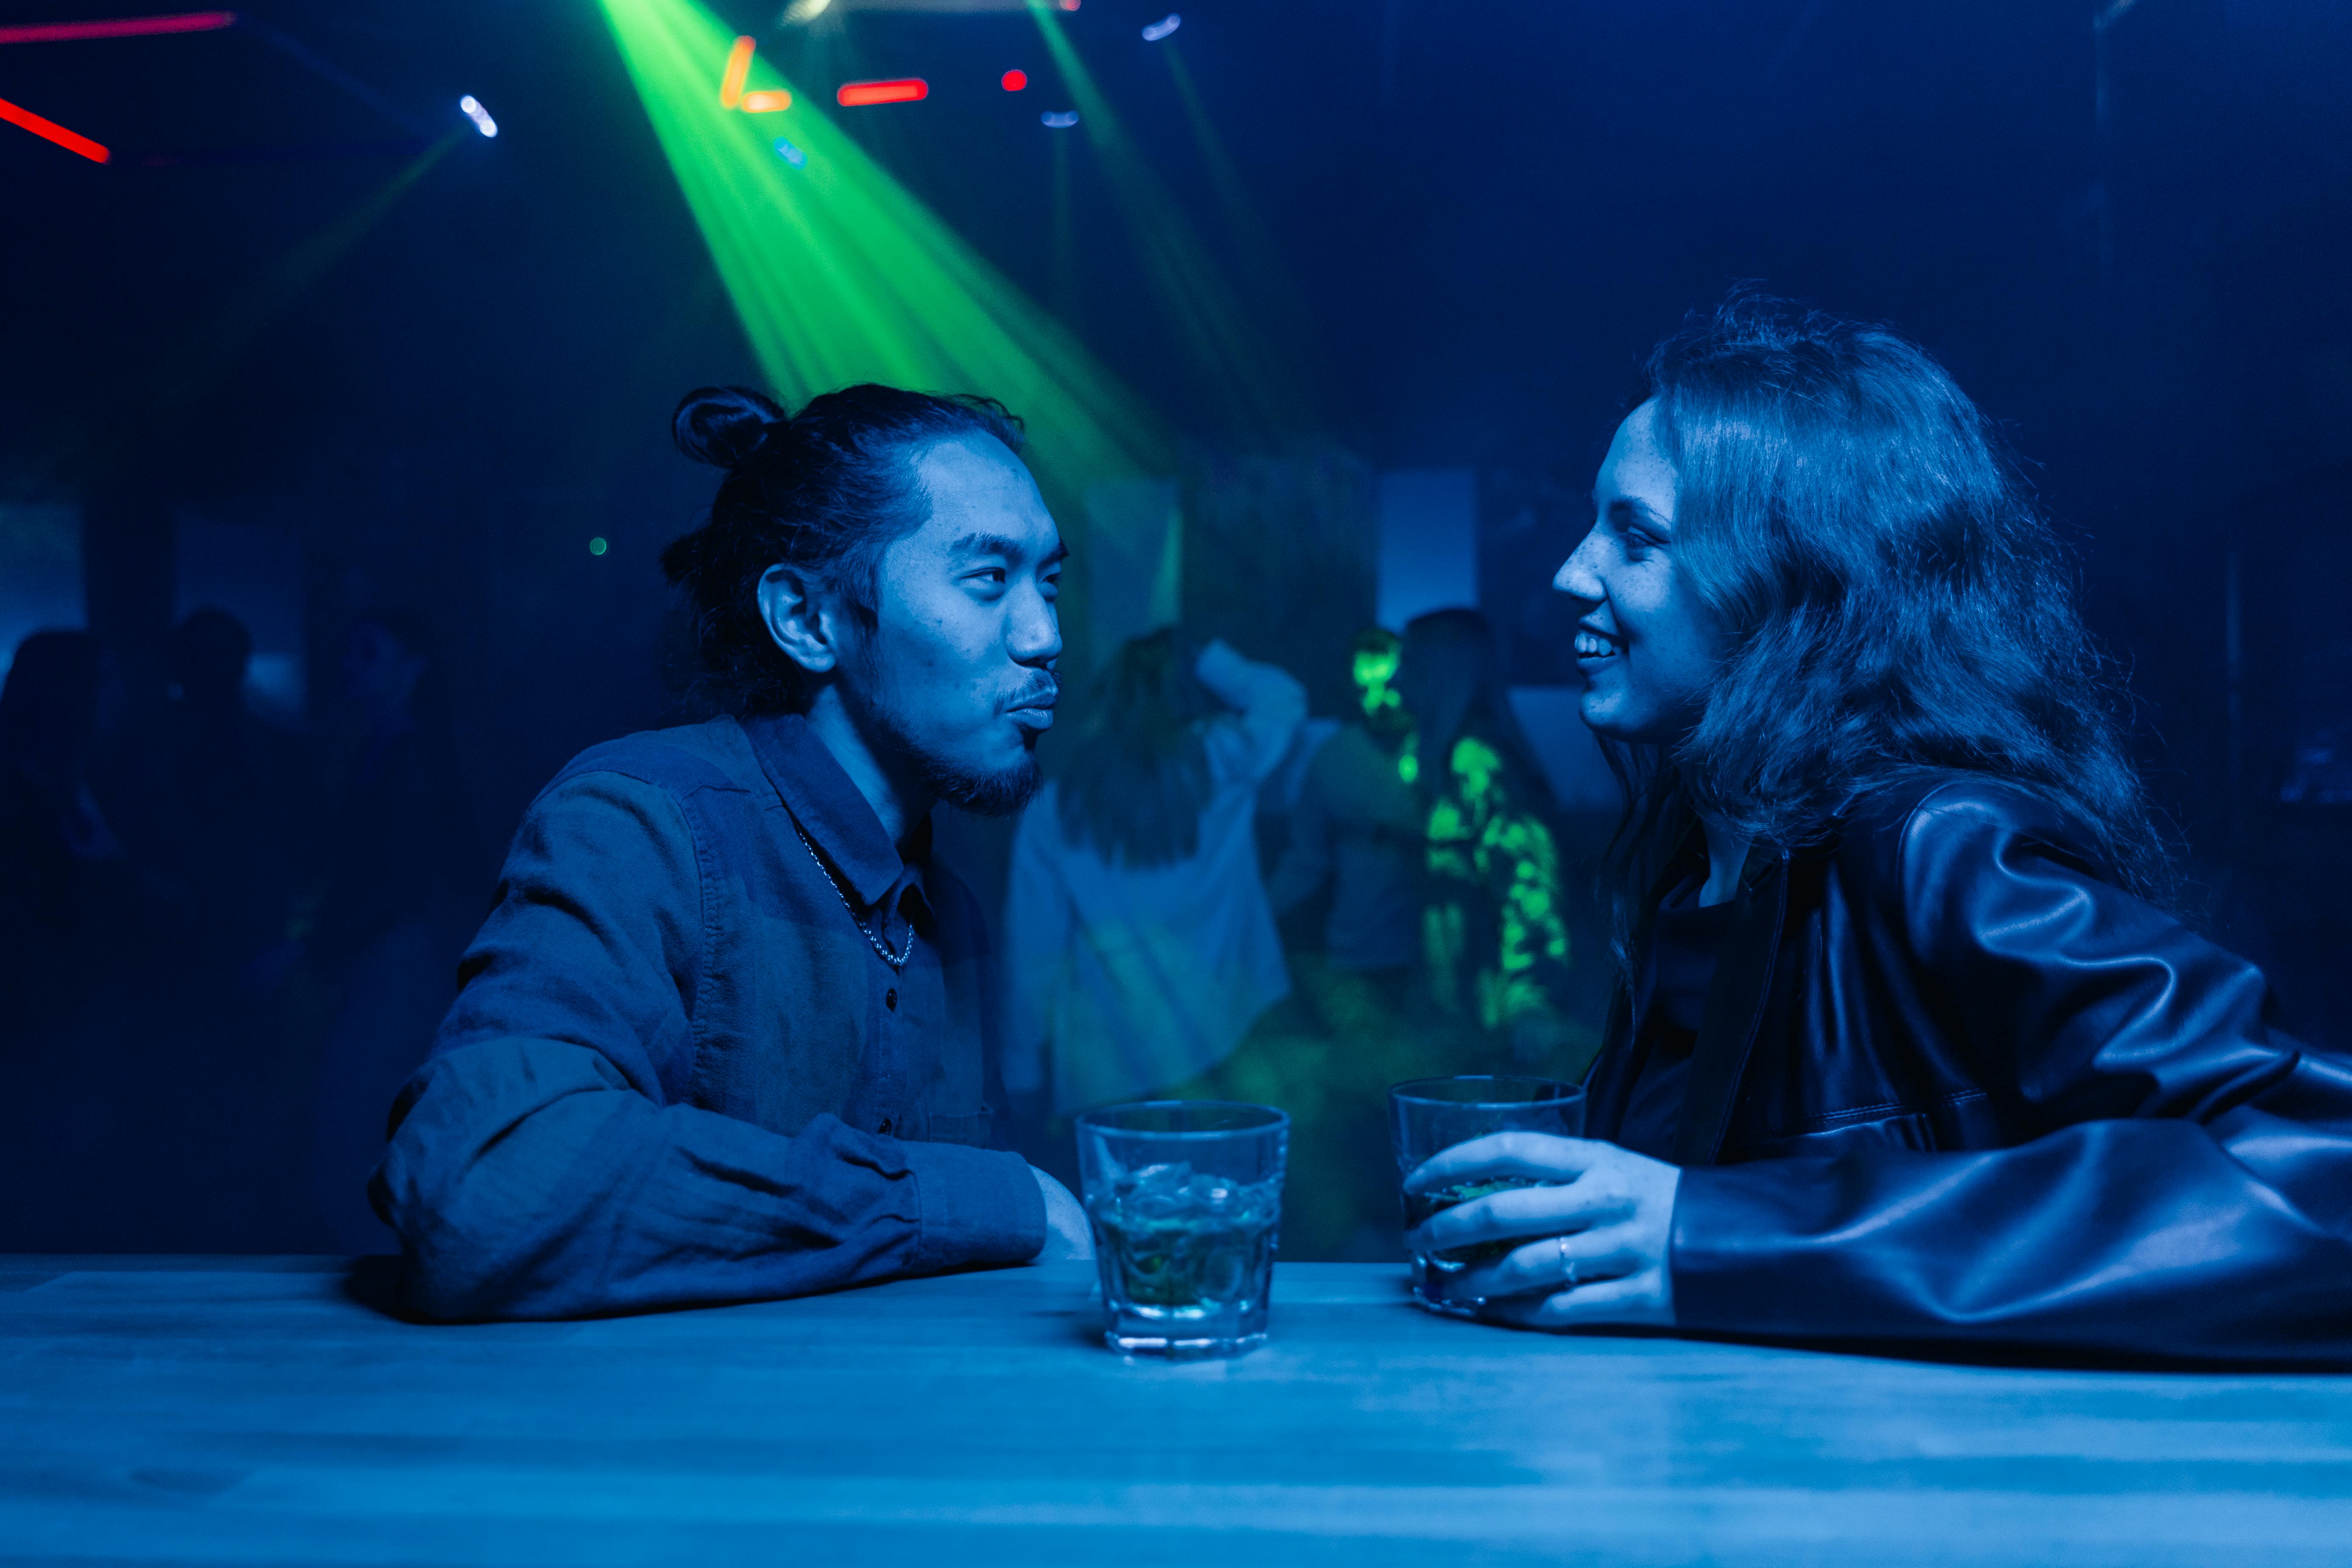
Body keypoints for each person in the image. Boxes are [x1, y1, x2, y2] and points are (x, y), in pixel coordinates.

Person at [1406, 294, 2352, 1364]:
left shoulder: (1937, 839)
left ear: (1792, 591)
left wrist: (1704, 1236)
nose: (1569, 573)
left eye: (1634, 535)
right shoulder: (1709, 859)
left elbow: (2323, 1175)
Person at [372, 383, 1091, 1319]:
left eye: (1049, 581)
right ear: (806, 618)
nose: (1046, 635)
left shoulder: (946, 909)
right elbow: (486, 1184)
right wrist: (993, 1199)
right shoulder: (642, 822)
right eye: (988, 578)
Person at [1002, 628, 1306, 1116]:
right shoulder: (1227, 759)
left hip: (1109, 1064)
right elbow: (1285, 698)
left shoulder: (1056, 805)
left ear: (1106, 698)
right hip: (1225, 1037)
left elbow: (1033, 946)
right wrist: (1207, 655)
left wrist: (1020, 1066)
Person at [303, 610, 483, 1252]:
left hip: (400, 958)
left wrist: (308, 948)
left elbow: (400, 885)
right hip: (384, 954)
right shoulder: (378, 749)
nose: (351, 666)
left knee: (366, 1116)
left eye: (369, 653)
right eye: (349, 652)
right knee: (358, 1119)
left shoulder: (413, 755)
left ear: (414, 666)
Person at [1392, 608, 1579, 1071]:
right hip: (1468, 1016)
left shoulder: (1476, 760)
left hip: (1497, 1026)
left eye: (1409, 664)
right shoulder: (1446, 760)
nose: (1395, 681)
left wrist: (1531, 999)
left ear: (1440, 674)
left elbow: (1527, 882)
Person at [1264, 627, 1424, 978]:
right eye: (1365, 688)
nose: (1379, 699)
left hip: (1444, 960)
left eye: (1389, 683)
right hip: (1360, 954)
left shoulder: (1453, 754)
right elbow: (1305, 859)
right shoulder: (1334, 758)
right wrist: (1257, 923)